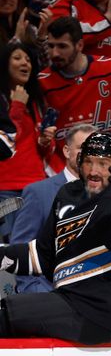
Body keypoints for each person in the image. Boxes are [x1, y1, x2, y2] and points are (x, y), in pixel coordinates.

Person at [0, 131, 111, 344]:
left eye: (103, 164)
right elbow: (43, 255)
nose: (93, 171)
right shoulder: (69, 193)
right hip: (70, 302)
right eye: (88, 162)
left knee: (7, 312)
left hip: (104, 311)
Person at [39, 16, 111, 170]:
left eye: (62, 46)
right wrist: (60, 177)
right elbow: (43, 138)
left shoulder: (110, 70)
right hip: (68, 170)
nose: (55, 53)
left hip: (110, 165)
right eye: (51, 46)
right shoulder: (43, 82)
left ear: (79, 45)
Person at [10, 124, 94, 293]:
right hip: (52, 298)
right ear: (66, 151)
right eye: (81, 148)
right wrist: (36, 294)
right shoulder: (39, 192)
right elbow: (21, 250)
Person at [0, 41, 52, 239]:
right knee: (11, 246)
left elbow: (38, 149)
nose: (25, 63)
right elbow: (5, 143)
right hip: (6, 189)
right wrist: (16, 107)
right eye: (17, 58)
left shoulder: (35, 101)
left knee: (36, 248)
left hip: (36, 187)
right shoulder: (9, 102)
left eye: (28, 60)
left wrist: (45, 142)